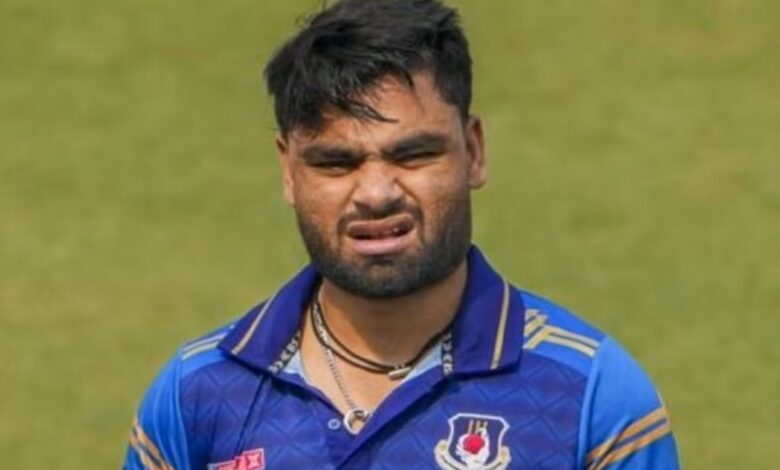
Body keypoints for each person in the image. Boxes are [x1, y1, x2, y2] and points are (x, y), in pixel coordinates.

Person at [124, 0, 681, 468]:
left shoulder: (589, 395)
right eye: (336, 163)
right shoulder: (198, 395)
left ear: (473, 152)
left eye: (413, 155)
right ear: (289, 171)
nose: (375, 193)